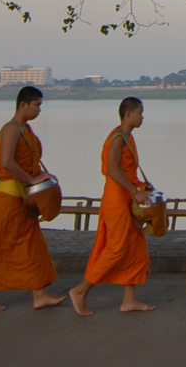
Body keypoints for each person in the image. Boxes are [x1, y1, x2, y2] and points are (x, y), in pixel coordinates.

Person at [0, 86, 64, 312]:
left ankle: (39, 293)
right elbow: (7, 163)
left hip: (24, 200)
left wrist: (40, 180)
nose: (39, 110)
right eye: (37, 105)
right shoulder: (11, 129)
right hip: (8, 198)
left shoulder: (26, 130)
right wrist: (32, 180)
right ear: (23, 105)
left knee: (34, 247)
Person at [70, 96, 155, 315]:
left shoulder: (128, 137)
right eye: (140, 113)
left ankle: (129, 300)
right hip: (117, 198)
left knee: (135, 247)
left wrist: (141, 186)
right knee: (116, 249)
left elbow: (128, 170)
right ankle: (80, 290)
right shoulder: (117, 137)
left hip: (128, 194)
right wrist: (134, 190)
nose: (142, 117)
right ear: (128, 114)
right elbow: (112, 169)